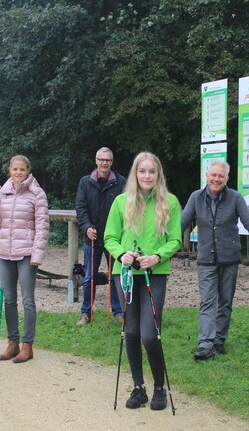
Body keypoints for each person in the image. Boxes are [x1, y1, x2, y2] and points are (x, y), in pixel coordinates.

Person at [104, 152, 182, 411]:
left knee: (150, 334)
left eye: (152, 171)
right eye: (142, 171)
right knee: (132, 331)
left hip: (154, 274)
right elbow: (110, 237)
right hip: (125, 273)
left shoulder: (169, 202)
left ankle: (159, 385)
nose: (147, 176)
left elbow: (175, 240)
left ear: (158, 174)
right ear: (135, 174)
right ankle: (139, 387)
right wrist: (121, 254)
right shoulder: (120, 202)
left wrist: (157, 257)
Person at [180, 161, 249, 360]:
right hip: (206, 259)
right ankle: (205, 344)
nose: (216, 179)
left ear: (227, 178)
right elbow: (181, 222)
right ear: (207, 175)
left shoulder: (235, 198)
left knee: (225, 302)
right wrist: (160, 245)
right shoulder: (196, 197)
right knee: (207, 301)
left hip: (229, 258)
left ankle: (219, 340)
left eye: (221, 176)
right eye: (213, 175)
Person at [0, 155, 50, 364]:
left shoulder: (37, 194)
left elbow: (42, 226)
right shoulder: (3, 193)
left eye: (22, 169)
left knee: (27, 300)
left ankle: (27, 344)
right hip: (4, 252)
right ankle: (12, 342)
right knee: (9, 299)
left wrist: (37, 254)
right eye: (15, 169)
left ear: (28, 171)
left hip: (26, 252)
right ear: (10, 170)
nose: (18, 173)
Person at [75, 147, 126, 325]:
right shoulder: (85, 182)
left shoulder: (121, 182)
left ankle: (118, 311)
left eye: (108, 160)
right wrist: (87, 227)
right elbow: (80, 208)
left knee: (116, 276)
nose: (104, 163)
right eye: (101, 159)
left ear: (112, 162)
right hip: (92, 238)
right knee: (89, 276)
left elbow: (126, 209)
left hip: (115, 240)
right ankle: (85, 312)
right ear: (96, 161)